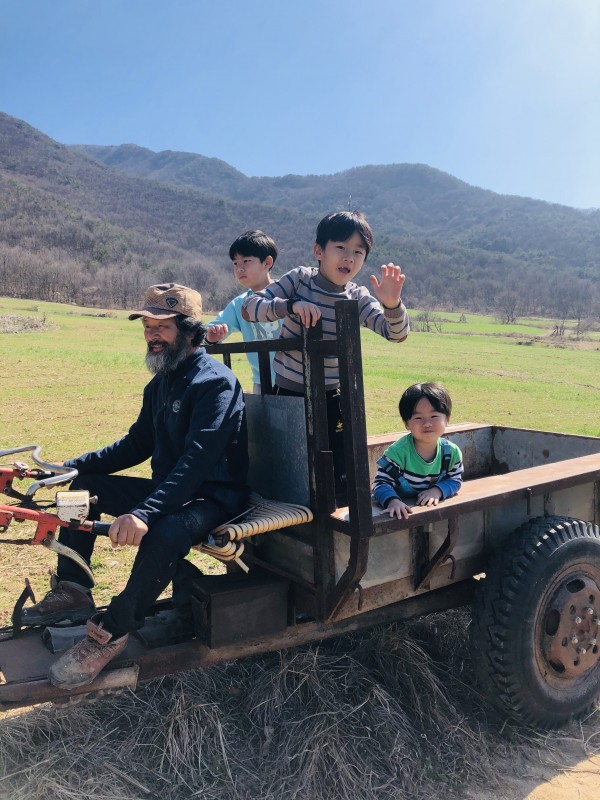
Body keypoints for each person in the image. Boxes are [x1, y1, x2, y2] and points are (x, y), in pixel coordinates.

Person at [23, 283, 249, 690]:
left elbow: (196, 462)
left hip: (211, 497)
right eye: (147, 326)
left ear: (189, 331)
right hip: (170, 491)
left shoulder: (215, 383)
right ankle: (74, 588)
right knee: (84, 488)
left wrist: (144, 513)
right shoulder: (160, 383)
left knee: (166, 531)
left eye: (162, 327)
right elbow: (136, 445)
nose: (151, 335)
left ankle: (113, 630)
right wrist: (68, 469)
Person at [242, 210, 410, 504]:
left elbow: (395, 333)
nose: (348, 258)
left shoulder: (357, 296)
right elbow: (250, 307)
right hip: (288, 395)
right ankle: (292, 519)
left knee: (335, 468)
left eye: (358, 251)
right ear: (319, 251)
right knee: (290, 467)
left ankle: (334, 517)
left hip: (333, 397)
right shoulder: (300, 280)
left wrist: (393, 304)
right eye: (341, 247)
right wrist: (290, 306)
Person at [206, 230, 283, 393]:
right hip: (261, 382)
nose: (239, 268)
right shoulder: (240, 304)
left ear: (267, 262)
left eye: (246, 261)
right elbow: (211, 330)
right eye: (235, 263)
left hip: (295, 382)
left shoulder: (287, 295)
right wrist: (212, 336)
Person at [372, 382, 463, 519]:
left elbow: (455, 480)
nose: (427, 423)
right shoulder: (397, 453)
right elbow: (380, 484)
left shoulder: (451, 453)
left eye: (434, 416)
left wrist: (437, 491)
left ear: (447, 419)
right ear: (406, 423)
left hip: (429, 512)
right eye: (418, 418)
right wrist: (392, 501)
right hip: (399, 513)